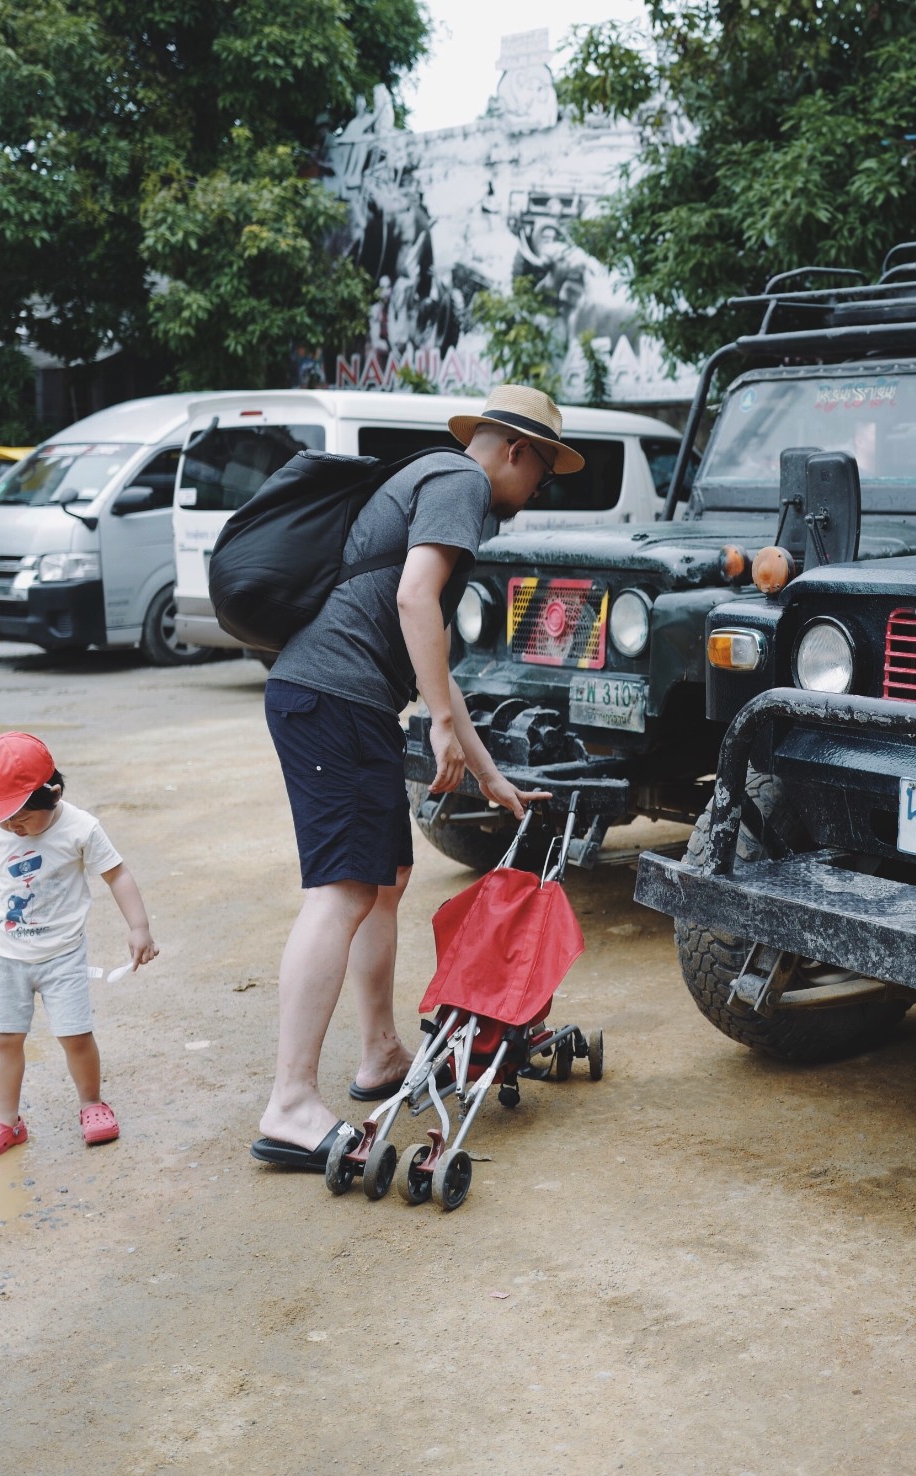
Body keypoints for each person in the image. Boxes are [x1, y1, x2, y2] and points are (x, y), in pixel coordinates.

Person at [251, 384, 576, 1170]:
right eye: (543, 473)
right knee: (342, 890)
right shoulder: (463, 483)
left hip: (343, 699)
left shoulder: (436, 480)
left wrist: (490, 776)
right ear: (515, 451)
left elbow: (434, 661)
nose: (537, 492)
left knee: (385, 878)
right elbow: (413, 598)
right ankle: (290, 1103)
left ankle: (381, 1054)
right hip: (333, 696)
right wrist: (434, 724)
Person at [0, 732, 158, 1159]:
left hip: (62, 955)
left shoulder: (81, 828)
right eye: (2, 816)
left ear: (53, 795)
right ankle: (7, 1121)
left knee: (75, 1036)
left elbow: (117, 875)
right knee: (4, 1039)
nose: (10, 826)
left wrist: (139, 928)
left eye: (19, 816)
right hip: (4, 956)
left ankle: (92, 1104)